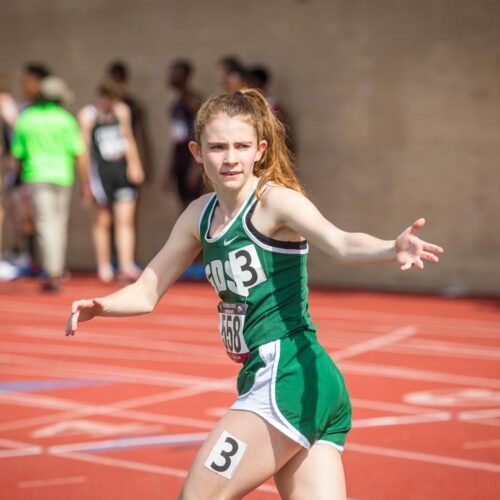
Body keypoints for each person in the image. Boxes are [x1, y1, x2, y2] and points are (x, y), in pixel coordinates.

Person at [65, 89, 443, 499]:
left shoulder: (275, 203)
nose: (230, 158)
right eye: (218, 147)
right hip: (299, 381)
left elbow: (341, 243)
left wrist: (392, 248)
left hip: (286, 375)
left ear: (260, 150)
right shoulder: (199, 214)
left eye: (242, 146)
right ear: (196, 152)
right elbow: (147, 290)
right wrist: (102, 306)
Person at [11, 76, 89, 291]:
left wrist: (13, 180)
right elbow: (79, 153)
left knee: (45, 223)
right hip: (63, 175)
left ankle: (52, 272)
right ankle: (56, 269)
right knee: (58, 224)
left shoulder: (26, 119)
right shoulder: (66, 119)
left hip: (36, 174)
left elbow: (17, 155)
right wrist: (86, 183)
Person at [78, 80, 145, 283]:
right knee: (103, 221)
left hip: (121, 171)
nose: (112, 104)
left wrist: (135, 164)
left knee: (125, 219)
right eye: (109, 99)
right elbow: (83, 151)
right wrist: (86, 182)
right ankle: (104, 265)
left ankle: (126, 265)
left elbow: (128, 137)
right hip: (100, 173)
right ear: (102, 96)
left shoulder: (122, 111)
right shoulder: (88, 115)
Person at [164, 59, 203, 209]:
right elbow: (176, 138)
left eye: (175, 72)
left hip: (191, 160)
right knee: (184, 207)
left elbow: (201, 134)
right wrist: (169, 168)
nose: (170, 76)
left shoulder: (193, 102)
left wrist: (196, 167)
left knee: (196, 206)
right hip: (180, 160)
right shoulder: (175, 104)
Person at [106, 60, 152, 180]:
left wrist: (145, 163)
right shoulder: (103, 107)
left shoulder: (133, 105)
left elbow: (141, 135)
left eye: (119, 80)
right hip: (107, 161)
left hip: (128, 158)